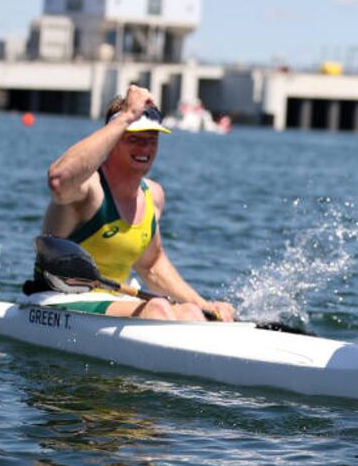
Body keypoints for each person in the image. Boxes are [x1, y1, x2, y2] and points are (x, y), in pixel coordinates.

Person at [33, 85, 234, 321]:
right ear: (113, 138)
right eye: (134, 139)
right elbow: (58, 180)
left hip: (114, 301)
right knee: (157, 309)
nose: (145, 148)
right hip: (55, 299)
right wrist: (127, 115)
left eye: (151, 139)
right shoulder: (88, 189)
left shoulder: (154, 195)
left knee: (190, 312)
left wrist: (205, 306)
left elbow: (152, 265)